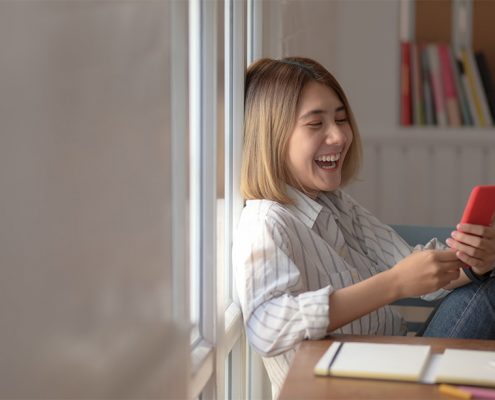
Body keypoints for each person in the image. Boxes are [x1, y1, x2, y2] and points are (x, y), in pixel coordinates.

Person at [233, 56, 495, 398]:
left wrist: (476, 264)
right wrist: (395, 283)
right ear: (271, 136)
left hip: (394, 366)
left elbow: (414, 269)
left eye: (341, 119)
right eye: (316, 125)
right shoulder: (267, 221)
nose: (340, 135)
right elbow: (267, 327)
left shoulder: (335, 203)